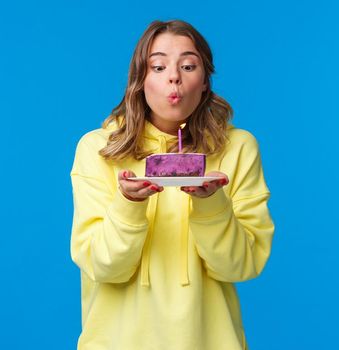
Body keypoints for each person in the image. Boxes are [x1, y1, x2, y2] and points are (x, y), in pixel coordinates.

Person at [69, 19, 275, 350]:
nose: (174, 76)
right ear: (140, 80)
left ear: (205, 81)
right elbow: (104, 267)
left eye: (188, 65)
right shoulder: (98, 149)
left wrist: (211, 205)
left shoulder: (238, 148)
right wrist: (129, 205)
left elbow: (241, 266)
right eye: (158, 65)